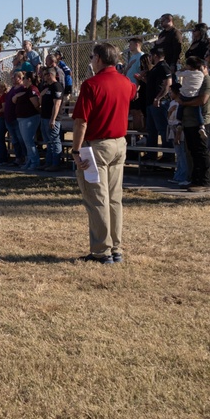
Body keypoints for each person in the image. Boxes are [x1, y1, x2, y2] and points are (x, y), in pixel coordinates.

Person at [71, 43, 138, 264]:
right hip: (119, 144)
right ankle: (115, 247)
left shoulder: (91, 85)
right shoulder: (125, 82)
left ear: (98, 59)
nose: (91, 61)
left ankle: (102, 250)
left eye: (92, 57)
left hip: (97, 146)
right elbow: (133, 93)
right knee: (114, 199)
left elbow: (81, 122)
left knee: (97, 199)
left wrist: (75, 150)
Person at [173, 56, 210, 192]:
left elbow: (202, 100)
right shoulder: (194, 79)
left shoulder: (207, 82)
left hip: (200, 122)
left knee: (201, 153)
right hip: (189, 122)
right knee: (192, 153)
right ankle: (195, 180)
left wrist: (184, 102)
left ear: (204, 67)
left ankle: (204, 181)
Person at [13, 71, 42, 170]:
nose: (23, 80)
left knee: (29, 141)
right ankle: (29, 161)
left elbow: (36, 105)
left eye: (24, 78)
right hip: (22, 119)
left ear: (29, 79)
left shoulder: (32, 90)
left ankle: (35, 162)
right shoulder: (27, 90)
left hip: (30, 118)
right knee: (26, 141)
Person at [39, 67, 64, 171]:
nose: (43, 77)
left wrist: (53, 119)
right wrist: (41, 94)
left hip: (52, 119)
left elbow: (57, 104)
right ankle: (48, 163)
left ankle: (56, 164)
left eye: (45, 75)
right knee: (48, 142)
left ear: (50, 75)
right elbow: (40, 101)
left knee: (54, 141)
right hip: (44, 117)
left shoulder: (56, 86)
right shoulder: (46, 87)